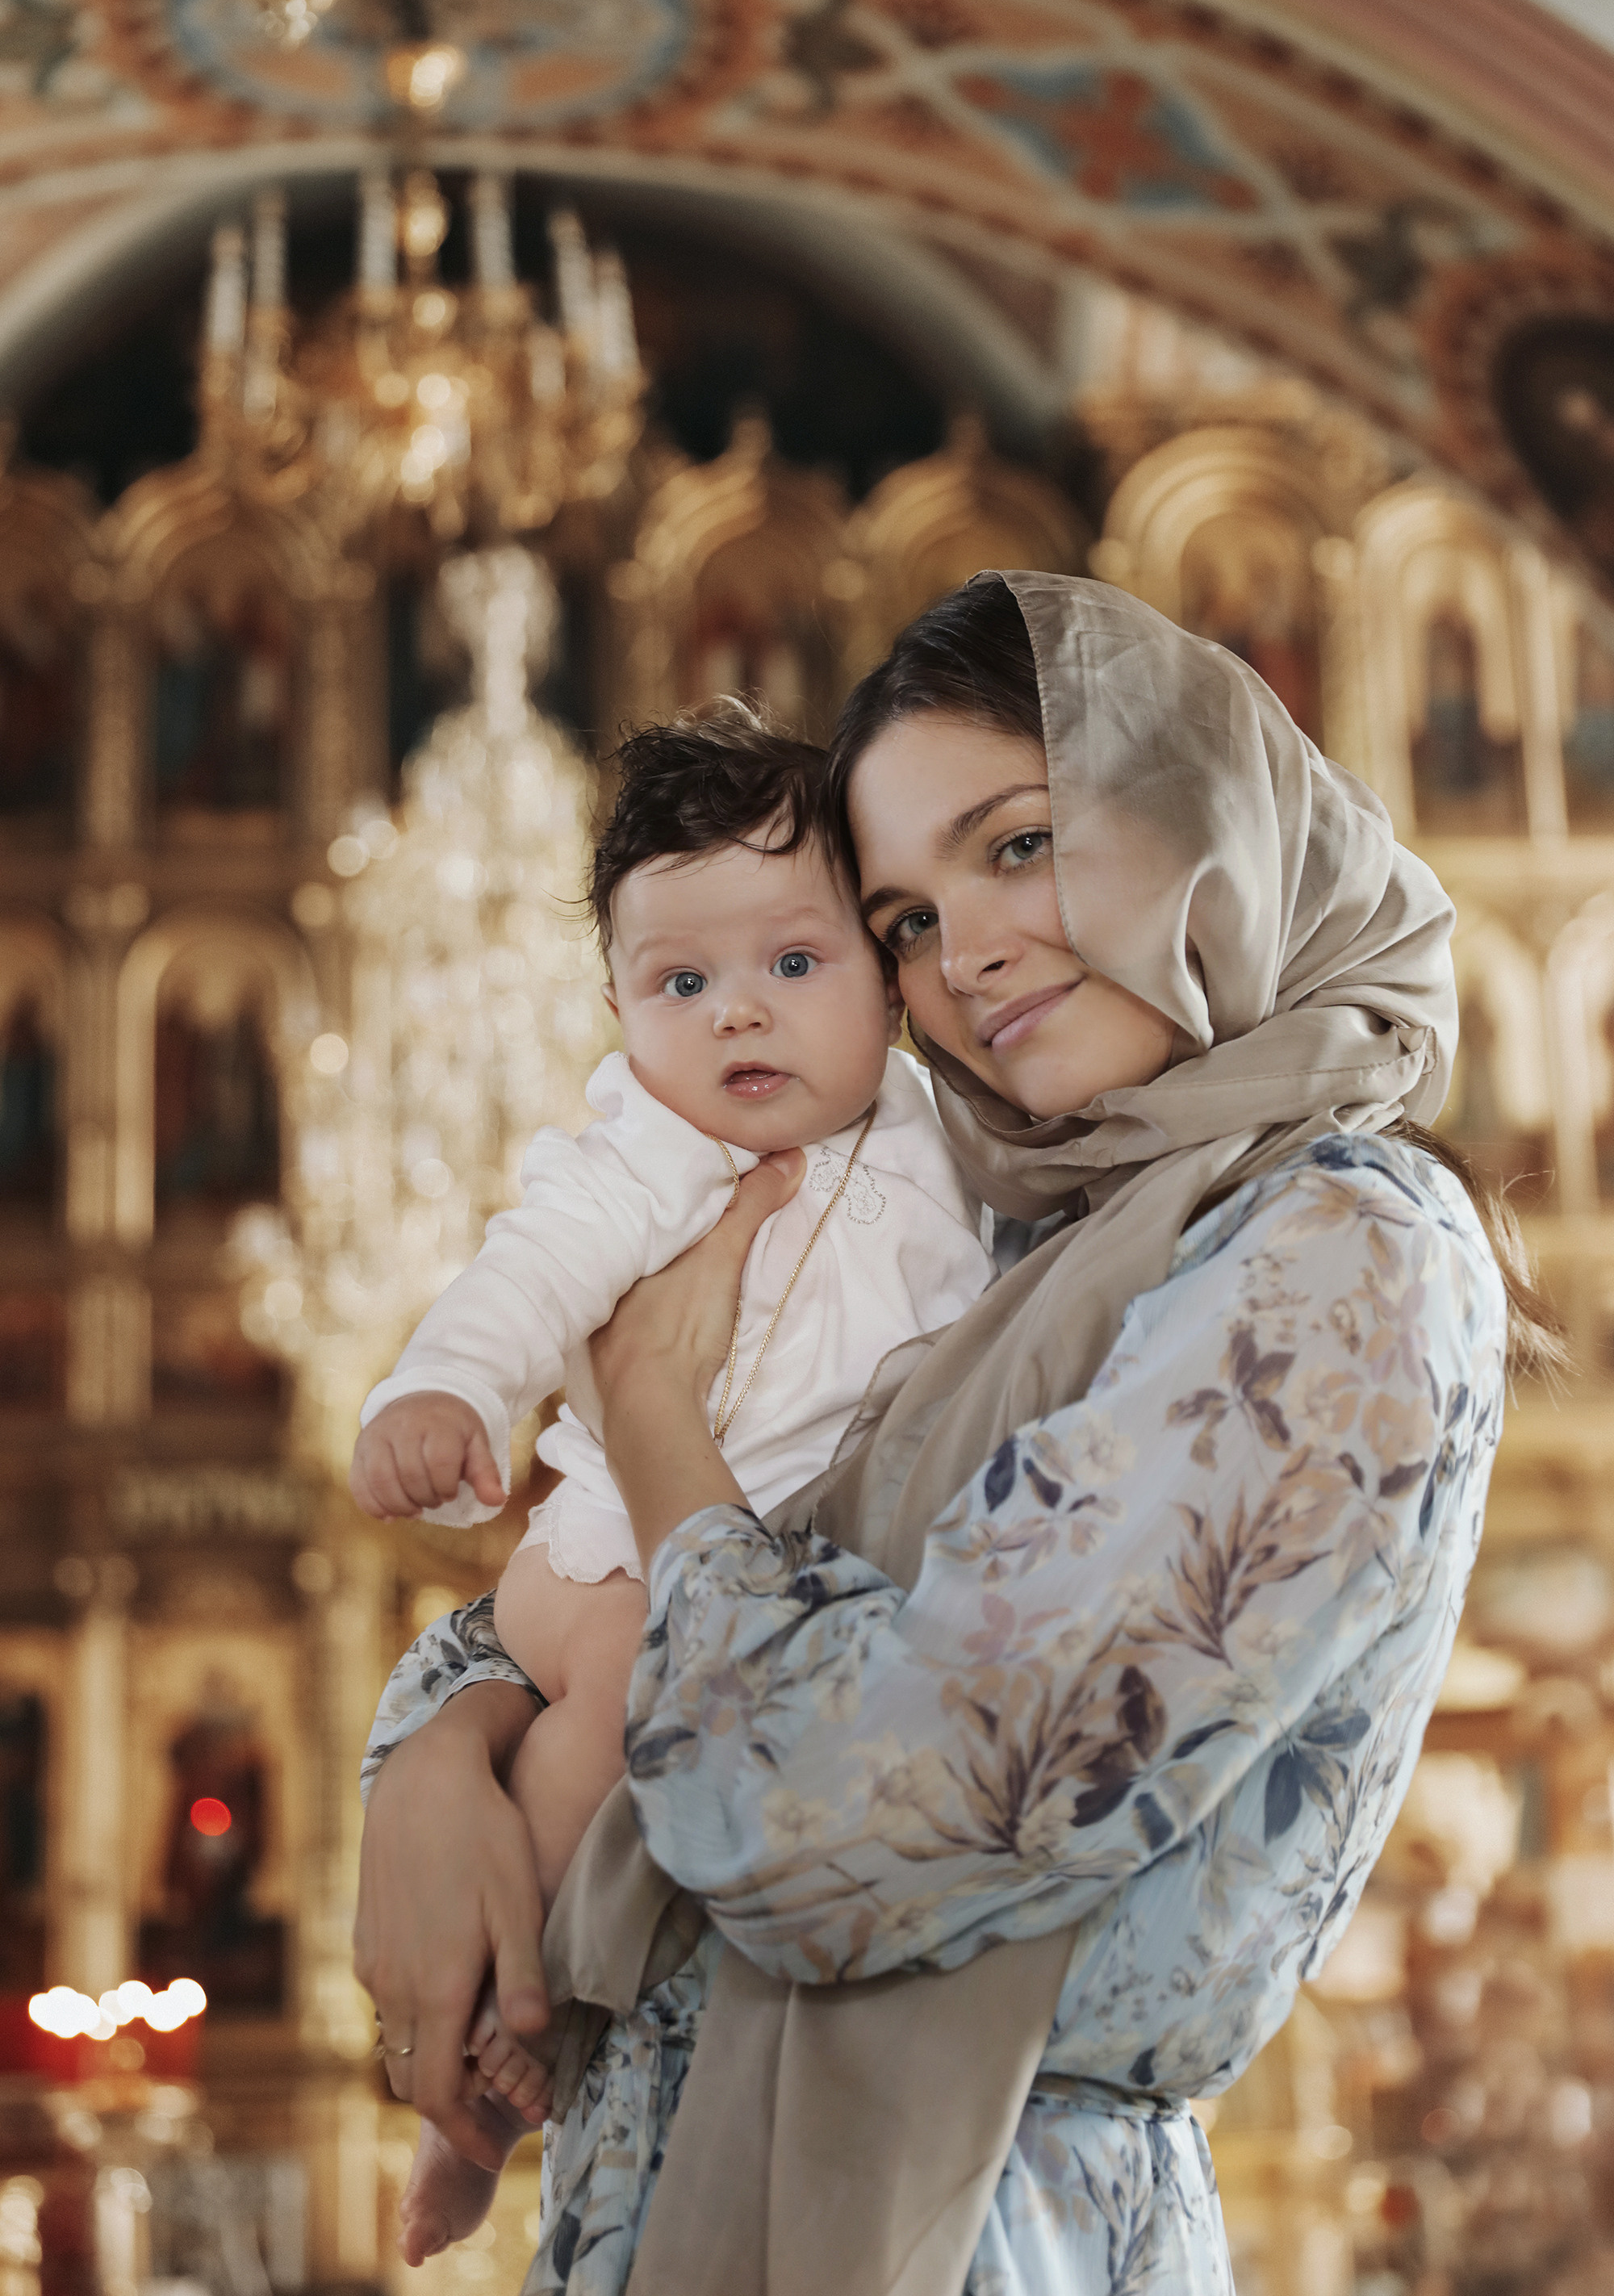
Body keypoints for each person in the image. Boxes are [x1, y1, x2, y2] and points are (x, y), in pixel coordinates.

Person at [356, 573, 1561, 2294]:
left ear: (1195, 810)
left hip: (986, 2223)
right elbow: (580, 1615)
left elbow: (857, 1818)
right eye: (904, 917)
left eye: (1016, 845)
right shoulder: (1007, 1238)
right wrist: (440, 1754)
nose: (966, 952)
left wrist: (648, 1417)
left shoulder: (1336, 1246)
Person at [348, 703, 994, 2253]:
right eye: (680, 983)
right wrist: (442, 1385)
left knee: (618, 1737)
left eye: (793, 964)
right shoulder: (647, 1149)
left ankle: (490, 2062)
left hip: (746, 1572)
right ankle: (500, 2072)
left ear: (889, 981)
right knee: (620, 1726)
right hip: (603, 1568)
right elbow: (533, 1267)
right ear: (622, 1009)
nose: (737, 1019)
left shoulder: (945, 1139)